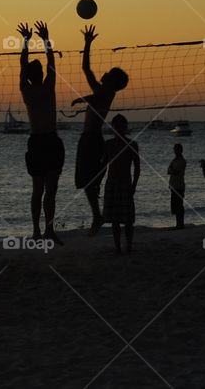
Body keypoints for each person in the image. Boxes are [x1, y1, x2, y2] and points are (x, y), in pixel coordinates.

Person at [71, 25, 129, 236]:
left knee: (88, 181)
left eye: (109, 74)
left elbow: (95, 97)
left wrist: (80, 98)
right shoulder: (103, 90)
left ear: (112, 82)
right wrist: (87, 44)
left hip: (92, 139)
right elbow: (87, 69)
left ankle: (97, 215)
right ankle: (98, 214)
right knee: (89, 181)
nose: (103, 74)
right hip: (90, 138)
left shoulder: (105, 93)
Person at [18, 20, 64, 244]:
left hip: (37, 142)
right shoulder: (47, 87)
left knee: (38, 190)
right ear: (39, 74)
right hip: (49, 141)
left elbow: (22, 64)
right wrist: (46, 39)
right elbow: (52, 63)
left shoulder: (26, 89)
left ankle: (38, 231)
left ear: (28, 75)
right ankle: (47, 231)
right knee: (50, 191)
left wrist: (26, 41)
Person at [102, 115, 140, 254]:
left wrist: (134, 185)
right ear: (113, 127)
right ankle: (118, 248)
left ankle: (129, 246)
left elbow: (137, 167)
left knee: (128, 219)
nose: (118, 128)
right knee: (114, 219)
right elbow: (103, 165)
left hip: (125, 182)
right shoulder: (108, 144)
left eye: (121, 126)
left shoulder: (132, 144)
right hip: (111, 183)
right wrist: (97, 182)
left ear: (125, 127)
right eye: (116, 126)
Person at [167, 144, 186, 229]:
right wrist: (171, 169)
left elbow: (175, 171)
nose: (175, 151)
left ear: (180, 150)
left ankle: (180, 224)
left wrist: (171, 169)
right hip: (173, 185)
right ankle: (178, 224)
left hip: (179, 185)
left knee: (179, 205)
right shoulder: (174, 160)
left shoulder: (182, 161)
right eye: (174, 149)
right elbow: (169, 170)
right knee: (175, 205)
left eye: (176, 149)